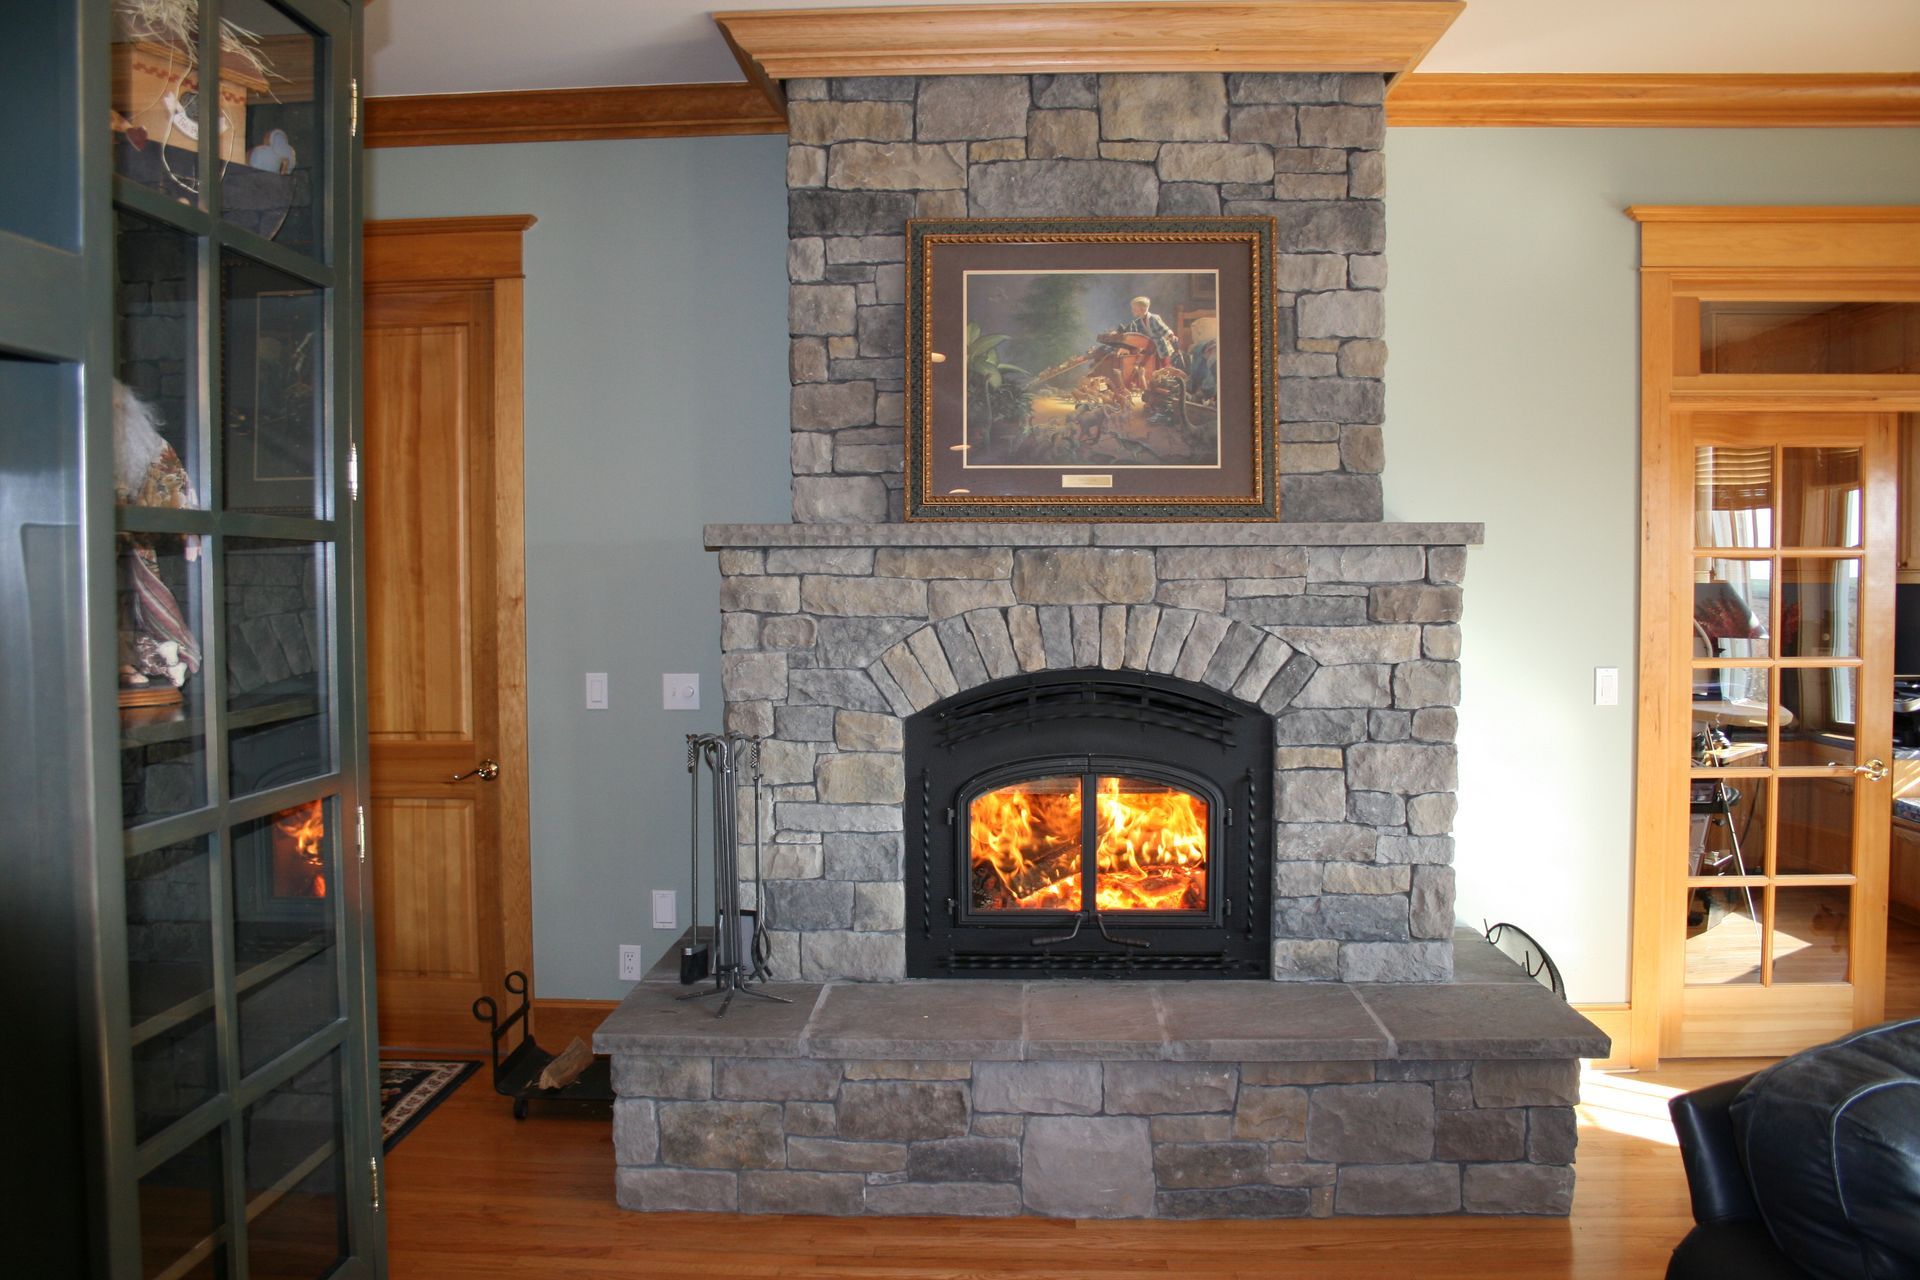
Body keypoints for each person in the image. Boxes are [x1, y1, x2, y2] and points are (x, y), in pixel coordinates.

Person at [1124, 296, 1183, 369]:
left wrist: (1171, 336)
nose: (1132, 310)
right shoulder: (1138, 322)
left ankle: (1166, 373)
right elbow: (1137, 334)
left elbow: (1163, 328)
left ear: (1142, 309)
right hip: (1150, 347)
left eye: (1134, 309)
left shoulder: (1154, 318)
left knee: (1165, 365)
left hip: (1161, 346)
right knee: (1153, 365)